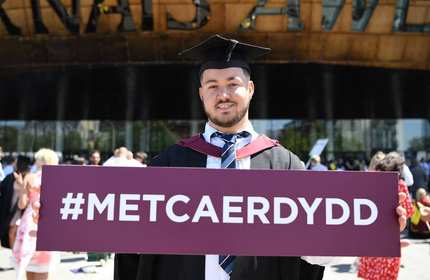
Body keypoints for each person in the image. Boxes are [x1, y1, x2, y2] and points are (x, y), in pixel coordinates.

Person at [113, 35, 408, 280]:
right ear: (201, 94)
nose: (223, 94)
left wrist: (376, 225)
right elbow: (135, 249)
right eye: (213, 86)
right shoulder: (168, 164)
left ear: (250, 89)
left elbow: (315, 251)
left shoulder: (287, 165)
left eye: (233, 83)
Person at [357, 151, 415, 280]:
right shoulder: (400, 184)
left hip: (369, 237)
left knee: (370, 274)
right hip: (389, 238)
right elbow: (408, 211)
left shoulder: (371, 180)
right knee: (386, 274)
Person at [12, 149, 60, 280]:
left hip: (29, 221)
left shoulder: (30, 177)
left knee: (29, 266)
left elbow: (22, 205)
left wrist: (22, 188)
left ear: (40, 160)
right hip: (46, 221)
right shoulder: (57, 179)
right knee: (43, 266)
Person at [0, 155, 32, 249]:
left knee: (13, 232)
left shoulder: (29, 177)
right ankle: (14, 252)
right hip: (9, 208)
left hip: (22, 209)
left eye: (16, 161)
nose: (14, 163)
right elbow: (2, 187)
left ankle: (16, 252)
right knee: (11, 232)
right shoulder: (11, 177)